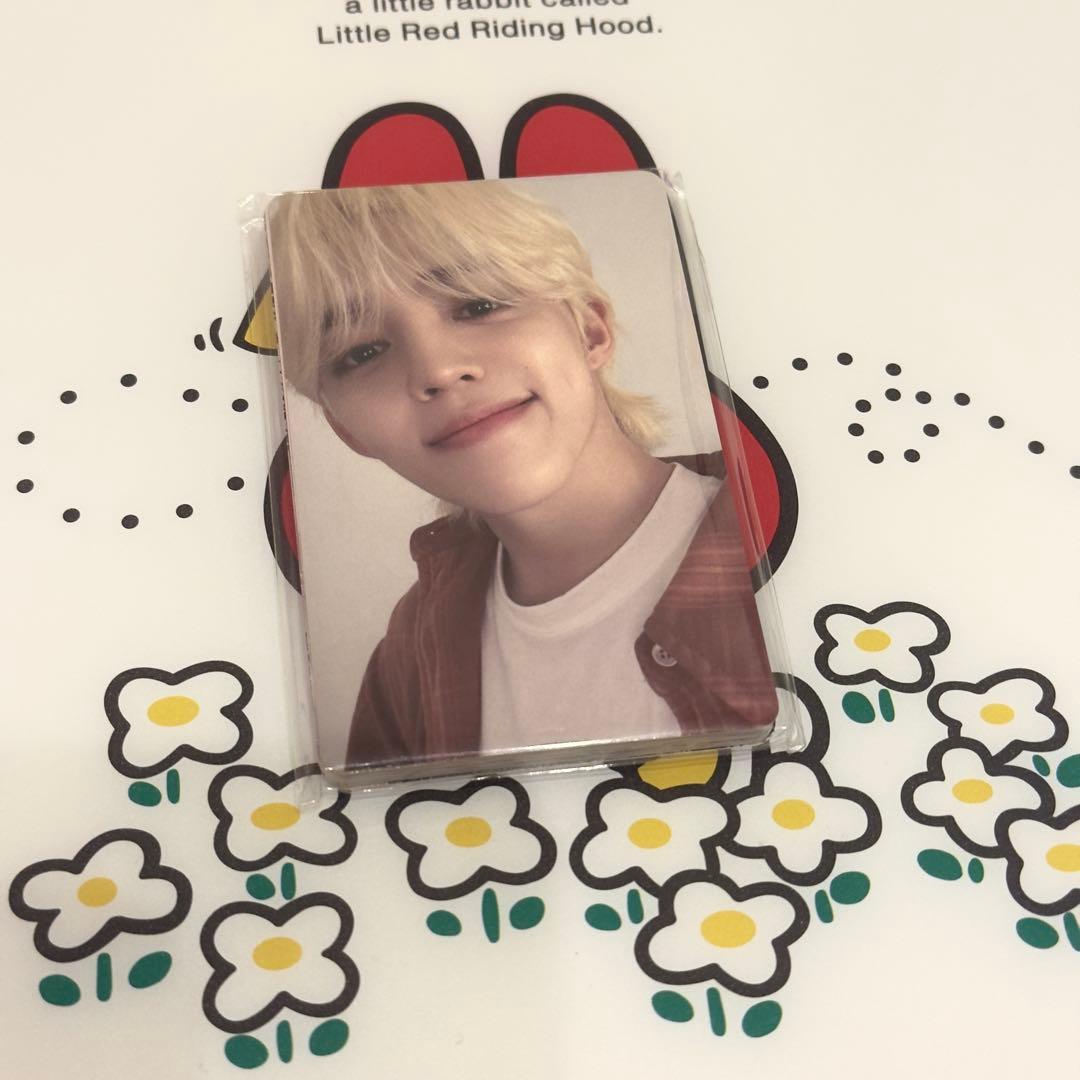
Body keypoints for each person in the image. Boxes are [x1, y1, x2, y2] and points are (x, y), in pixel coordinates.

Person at [268, 179, 777, 770]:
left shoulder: (774, 546)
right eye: (361, 353)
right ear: (346, 429)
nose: (437, 370)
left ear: (589, 330)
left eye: (479, 304)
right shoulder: (407, 662)